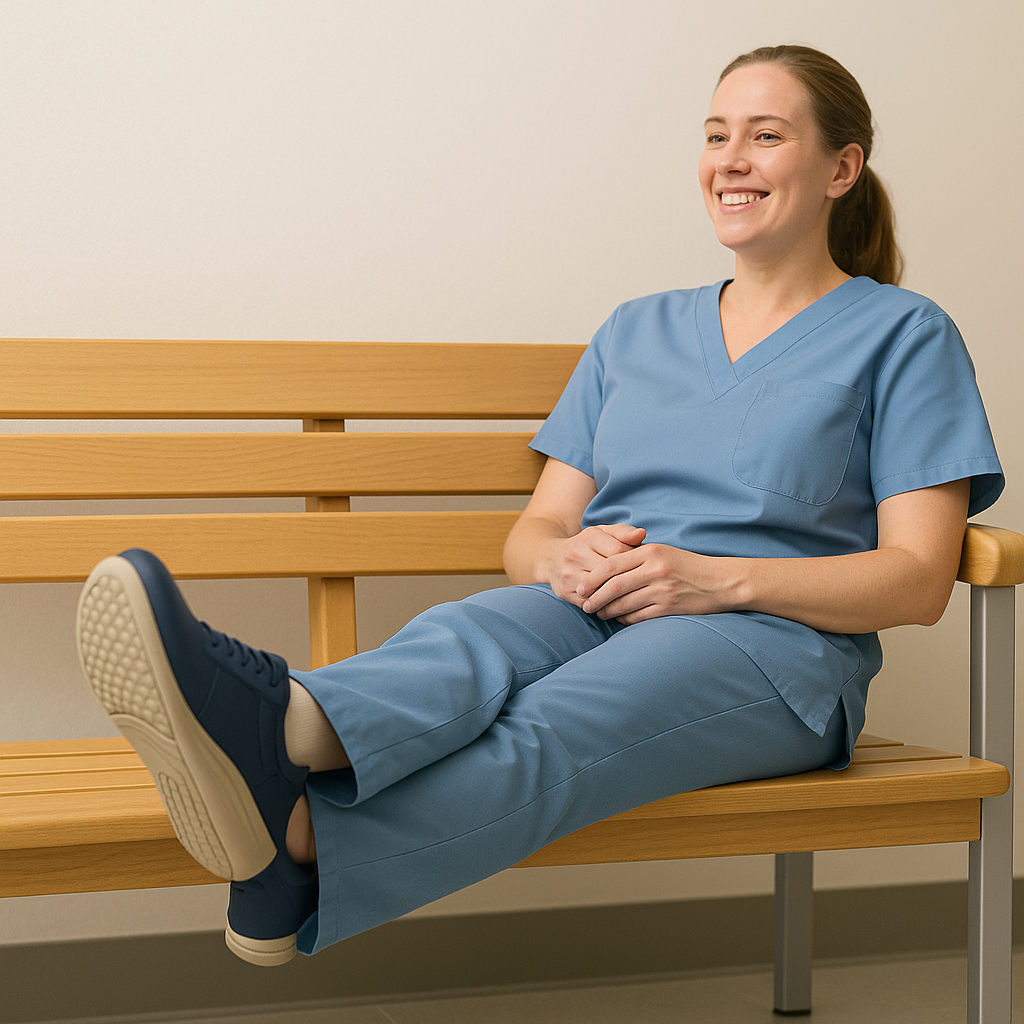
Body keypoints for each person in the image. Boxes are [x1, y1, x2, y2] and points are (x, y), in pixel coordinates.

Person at [76, 44, 1003, 967]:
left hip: (772, 654)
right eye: (717, 135)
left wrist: (714, 582)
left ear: (842, 168)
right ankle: (281, 723)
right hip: (599, 605)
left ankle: (300, 841)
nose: (731, 159)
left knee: (562, 717)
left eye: (767, 136)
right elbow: (537, 532)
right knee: (469, 635)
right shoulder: (635, 328)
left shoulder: (905, 335)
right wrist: (562, 561)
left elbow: (918, 581)